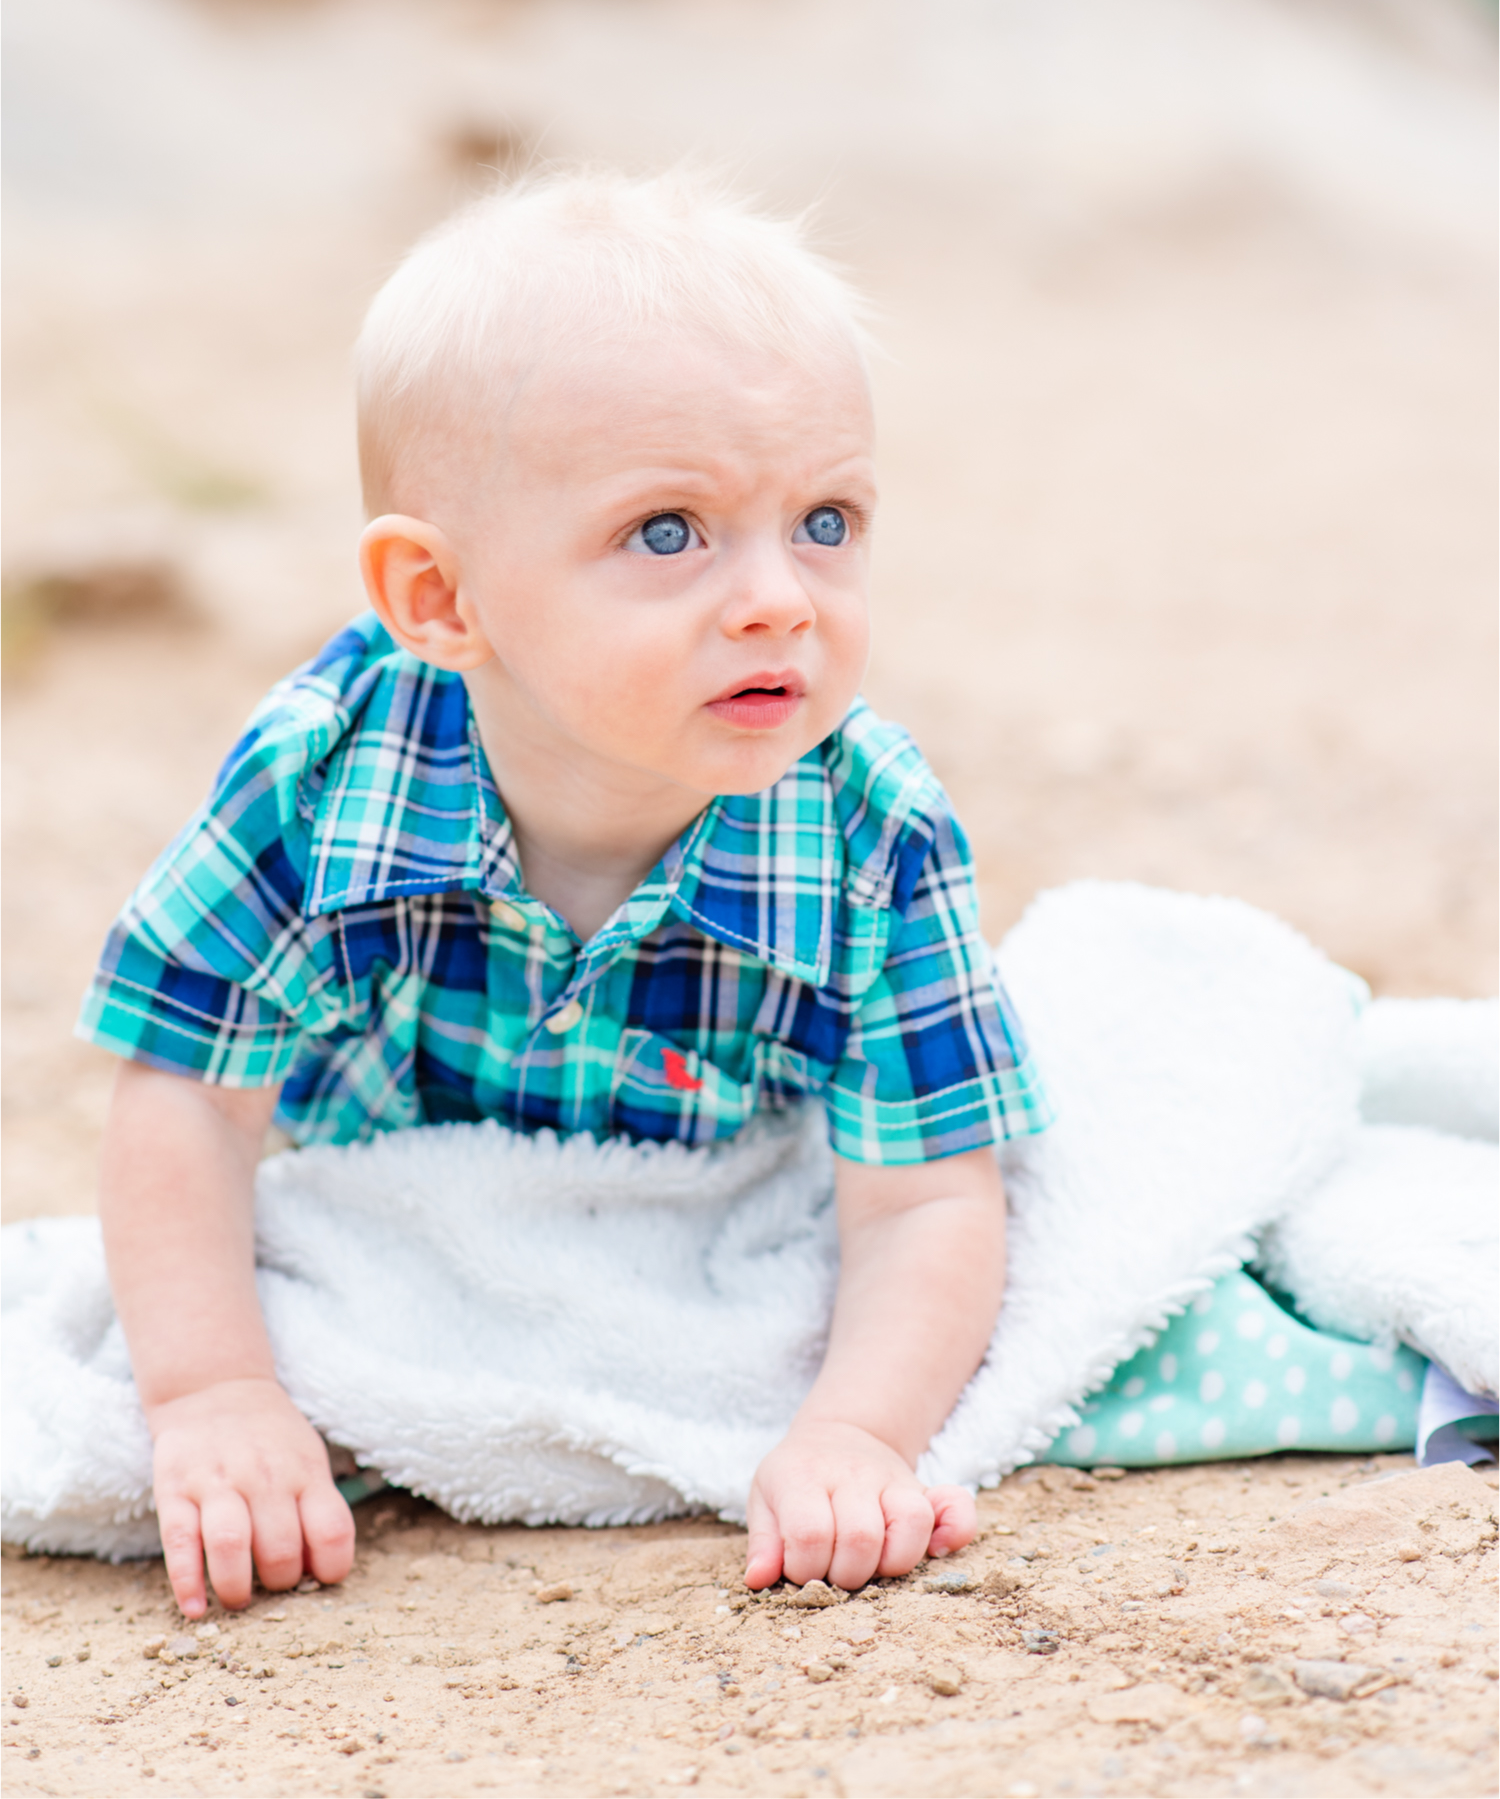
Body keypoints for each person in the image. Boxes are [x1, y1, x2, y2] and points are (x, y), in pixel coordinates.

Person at [81, 169, 1051, 1621]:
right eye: (669, 532)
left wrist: (853, 1433)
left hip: (721, 1190)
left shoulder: (868, 829)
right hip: (399, 1191)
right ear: (441, 602)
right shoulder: (324, 775)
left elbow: (925, 1199)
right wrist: (213, 1390)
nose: (781, 596)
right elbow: (185, 1100)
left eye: (827, 520)